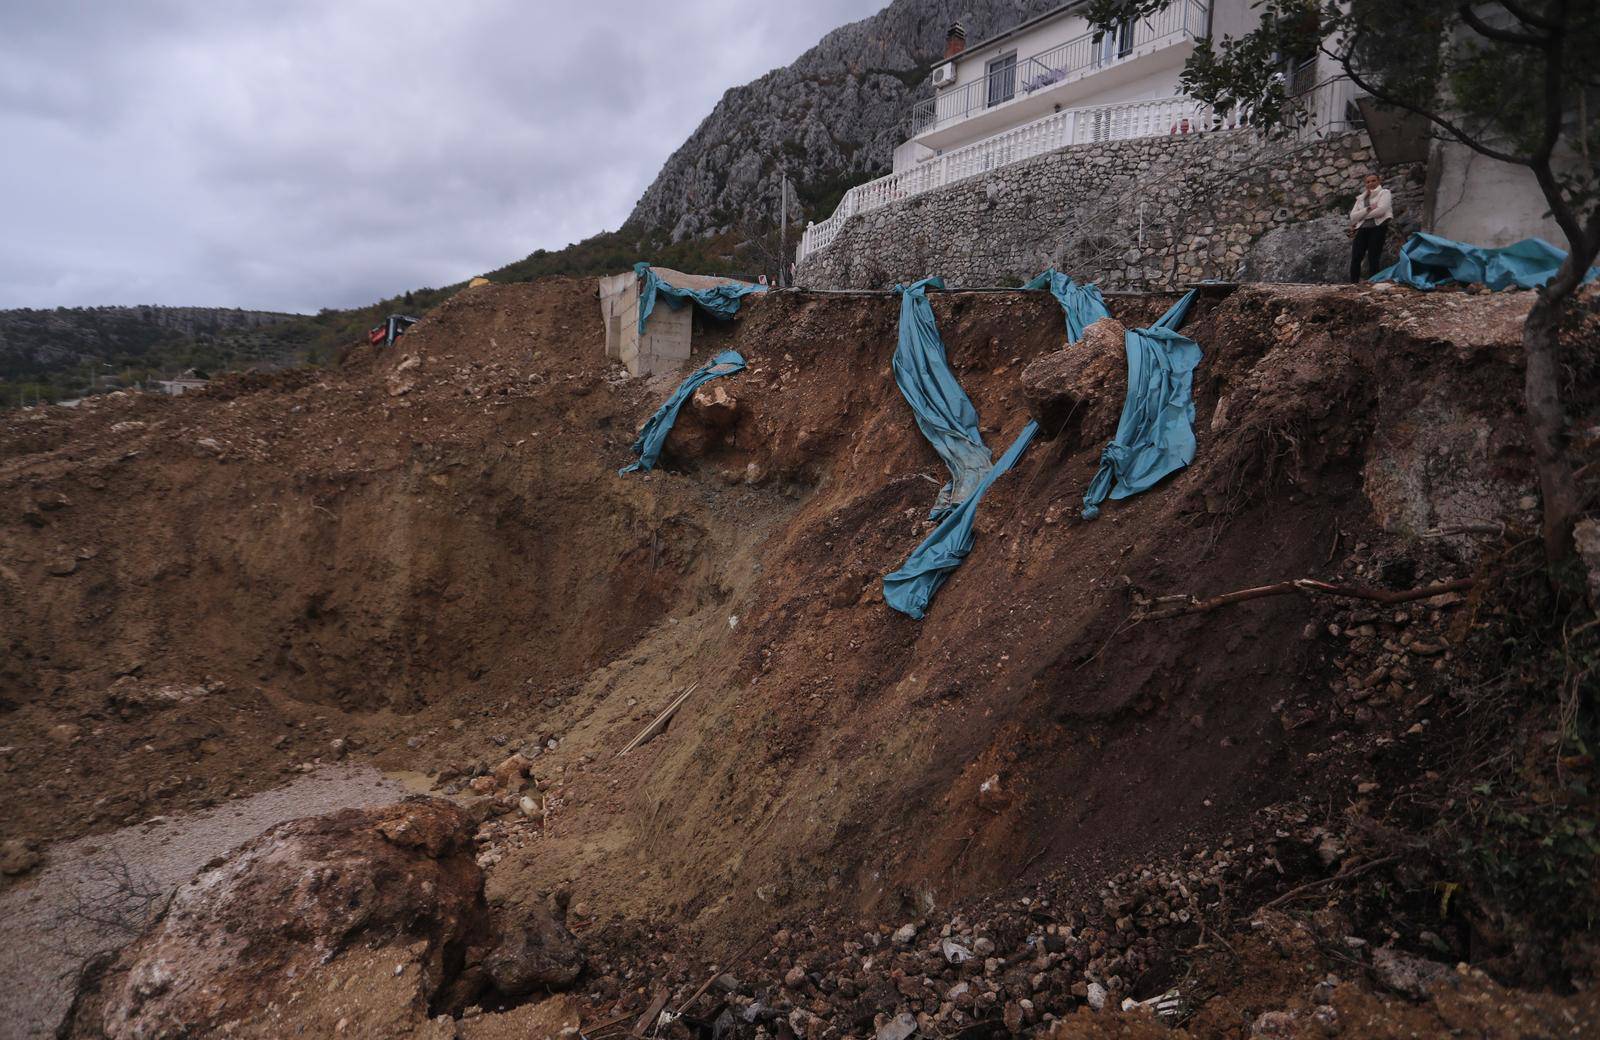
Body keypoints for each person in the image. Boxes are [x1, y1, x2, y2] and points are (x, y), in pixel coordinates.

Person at [1348, 173, 1393, 282]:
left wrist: (1361, 215)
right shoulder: (1361, 198)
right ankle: (1353, 283)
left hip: (1378, 227)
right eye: (1368, 182)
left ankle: (1374, 282)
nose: (1371, 183)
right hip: (1362, 229)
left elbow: (1381, 211)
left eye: (1373, 181)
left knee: (1374, 256)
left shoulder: (1384, 193)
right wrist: (1367, 209)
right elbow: (1352, 217)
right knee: (1356, 257)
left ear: (1379, 181)